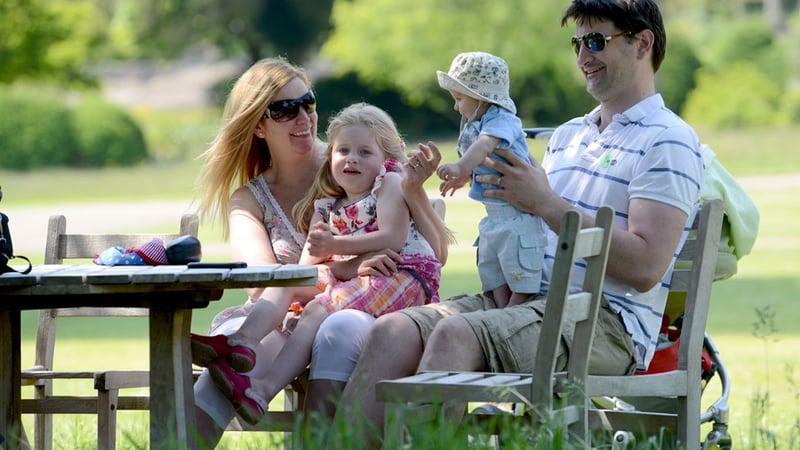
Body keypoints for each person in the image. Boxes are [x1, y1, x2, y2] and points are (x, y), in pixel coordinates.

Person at [330, 0, 706, 448]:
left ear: (642, 43)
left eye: (595, 41)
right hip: (524, 298)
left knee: (454, 335)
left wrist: (547, 203)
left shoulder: (669, 140)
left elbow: (645, 267)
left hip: (606, 323)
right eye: (576, 44)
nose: (583, 57)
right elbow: (522, 218)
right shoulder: (567, 136)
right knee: (391, 332)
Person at [191, 57, 449, 448]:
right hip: (286, 314)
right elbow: (262, 286)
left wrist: (353, 265)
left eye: (307, 103)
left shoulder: (358, 157)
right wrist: (351, 266)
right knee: (228, 358)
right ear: (258, 126)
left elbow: (423, 243)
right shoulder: (251, 198)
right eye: (285, 110)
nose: (303, 117)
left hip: (359, 309)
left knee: (336, 329)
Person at [435, 51, 547, 308]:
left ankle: (511, 313)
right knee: (492, 271)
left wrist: (459, 166)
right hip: (494, 217)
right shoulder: (480, 122)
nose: (455, 107)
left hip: (517, 218)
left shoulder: (502, 121)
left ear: (482, 98)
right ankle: (501, 311)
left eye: (459, 99)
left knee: (521, 276)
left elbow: (484, 147)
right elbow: (484, 162)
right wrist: (465, 176)